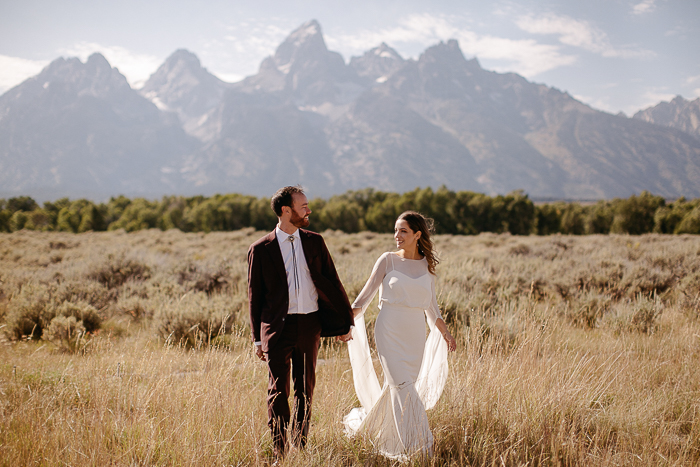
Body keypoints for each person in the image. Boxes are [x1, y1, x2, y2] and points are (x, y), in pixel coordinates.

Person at [338, 210, 457, 459]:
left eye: (402, 231)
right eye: (395, 230)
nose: (397, 235)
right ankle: (420, 449)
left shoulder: (427, 265)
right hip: (388, 330)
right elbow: (365, 296)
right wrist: (345, 321)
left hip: (415, 335)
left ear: (417, 234)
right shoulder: (387, 260)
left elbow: (431, 307)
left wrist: (445, 333)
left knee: (400, 387)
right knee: (403, 387)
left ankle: (375, 432)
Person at [247, 185, 354, 460]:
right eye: (303, 206)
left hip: (310, 325)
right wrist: (257, 339)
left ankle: (300, 446)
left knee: (304, 389)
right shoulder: (260, 249)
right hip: (277, 328)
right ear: (286, 210)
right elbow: (254, 297)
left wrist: (346, 323)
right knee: (277, 391)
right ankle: (280, 451)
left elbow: (332, 280)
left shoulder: (315, 241)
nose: (308, 210)